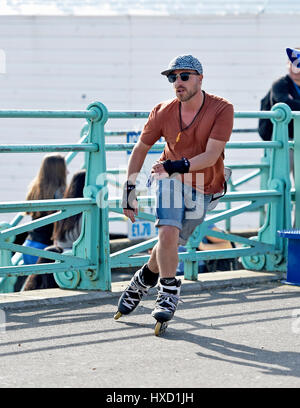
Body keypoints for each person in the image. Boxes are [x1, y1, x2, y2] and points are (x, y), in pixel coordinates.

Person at [114, 54, 234, 332]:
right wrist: (130, 188)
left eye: (184, 76)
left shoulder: (222, 109)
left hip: (205, 184)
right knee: (166, 233)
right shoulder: (163, 111)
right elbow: (141, 149)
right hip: (168, 179)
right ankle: (168, 293)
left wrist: (174, 165)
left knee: (173, 242)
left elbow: (211, 155)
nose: (177, 82)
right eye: (172, 77)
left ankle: (143, 278)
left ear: (200, 79)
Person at [23, 169, 86, 291]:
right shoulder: (86, 213)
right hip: (66, 259)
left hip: (31, 245)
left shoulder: (61, 208)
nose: (67, 171)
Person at [14, 154, 67, 291]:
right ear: (59, 171)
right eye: (64, 168)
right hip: (45, 249)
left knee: (32, 286)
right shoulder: (60, 192)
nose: (67, 172)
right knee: (45, 289)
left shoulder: (35, 187)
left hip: (29, 244)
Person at [258, 47, 300, 175]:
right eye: (292, 63)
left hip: (298, 139)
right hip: (282, 141)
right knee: (280, 180)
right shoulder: (280, 84)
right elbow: (284, 103)